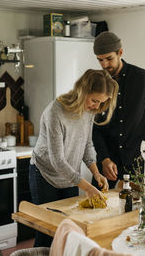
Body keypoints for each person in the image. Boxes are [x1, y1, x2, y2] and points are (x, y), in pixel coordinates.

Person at [29, 69, 118, 247]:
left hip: (69, 178)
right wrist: (88, 187)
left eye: (101, 103)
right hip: (45, 175)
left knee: (68, 233)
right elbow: (57, 161)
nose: (96, 107)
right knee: (47, 234)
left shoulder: (88, 112)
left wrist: (96, 173)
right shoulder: (55, 112)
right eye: (94, 100)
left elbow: (87, 144)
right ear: (82, 90)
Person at [92, 31, 145, 189]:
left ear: (120, 52)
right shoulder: (99, 82)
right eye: (100, 60)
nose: (105, 65)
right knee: (99, 209)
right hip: (108, 165)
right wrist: (104, 158)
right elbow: (95, 128)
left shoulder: (142, 78)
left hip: (137, 164)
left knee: (136, 210)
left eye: (109, 59)